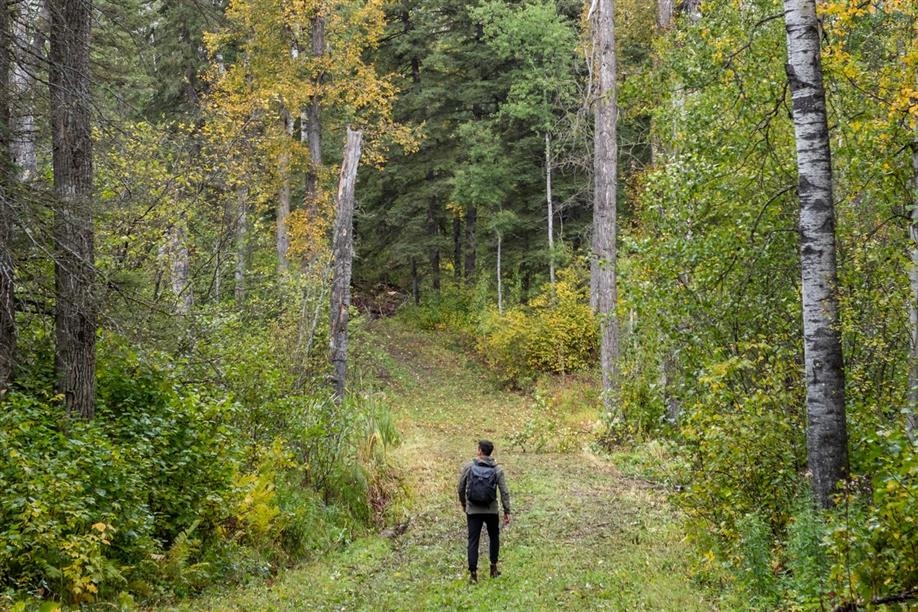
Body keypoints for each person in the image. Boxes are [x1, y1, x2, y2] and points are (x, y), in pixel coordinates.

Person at [457, 439, 511, 584]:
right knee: (494, 537)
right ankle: (493, 568)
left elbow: (460, 487)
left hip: (473, 510)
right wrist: (507, 511)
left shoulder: (469, 466)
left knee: (473, 540)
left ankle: (473, 575)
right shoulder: (497, 469)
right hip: (491, 510)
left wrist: (464, 504)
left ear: (480, 451)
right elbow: (504, 492)